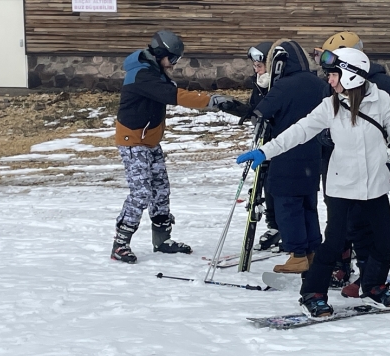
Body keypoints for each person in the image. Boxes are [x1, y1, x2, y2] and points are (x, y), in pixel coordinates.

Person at [237, 48, 390, 317]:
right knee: (333, 245)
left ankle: (373, 286)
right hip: (342, 188)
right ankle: (313, 293)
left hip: (376, 187)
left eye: (334, 75)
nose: (330, 80)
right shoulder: (330, 106)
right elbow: (298, 132)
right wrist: (265, 152)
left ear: (353, 76)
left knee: (385, 242)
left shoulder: (381, 102)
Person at [111, 29, 237, 264]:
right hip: (133, 140)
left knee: (161, 190)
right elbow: (174, 96)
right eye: (174, 58)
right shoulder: (142, 75)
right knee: (141, 193)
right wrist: (211, 101)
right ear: (160, 53)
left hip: (150, 140)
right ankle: (120, 244)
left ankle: (162, 241)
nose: (175, 64)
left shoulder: (155, 71)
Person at [240, 39, 330, 273]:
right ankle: (311, 250)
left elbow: (261, 111)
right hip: (313, 153)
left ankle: (297, 254)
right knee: (308, 204)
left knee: (286, 205)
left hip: (286, 151)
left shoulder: (283, 86)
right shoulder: (318, 83)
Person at [237, 42, 282, 251]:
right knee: (265, 181)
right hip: (264, 140)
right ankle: (273, 226)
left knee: (278, 184)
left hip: (282, 141)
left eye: (261, 66)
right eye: (255, 66)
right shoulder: (258, 84)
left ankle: (284, 226)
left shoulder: (280, 84)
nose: (257, 70)